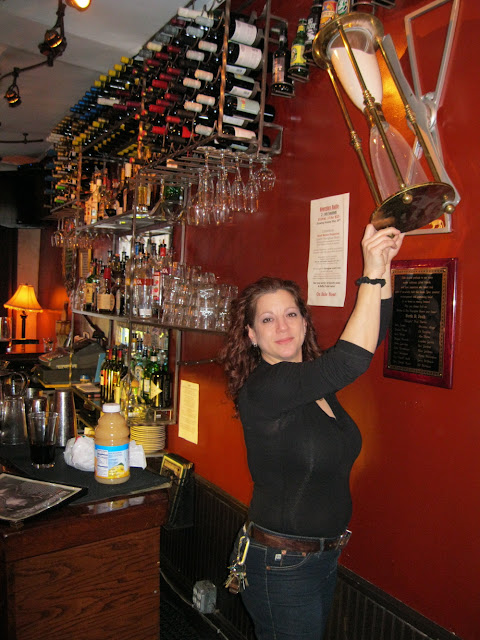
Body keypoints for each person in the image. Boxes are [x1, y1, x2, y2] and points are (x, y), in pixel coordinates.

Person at [220, 223, 404, 640]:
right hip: (280, 565)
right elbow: (351, 360)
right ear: (251, 335)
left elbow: (374, 332)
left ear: (304, 322)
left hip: (318, 559)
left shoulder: (312, 383)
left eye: (291, 314)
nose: (283, 327)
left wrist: (384, 266)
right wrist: (369, 272)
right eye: (267, 319)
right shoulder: (265, 388)